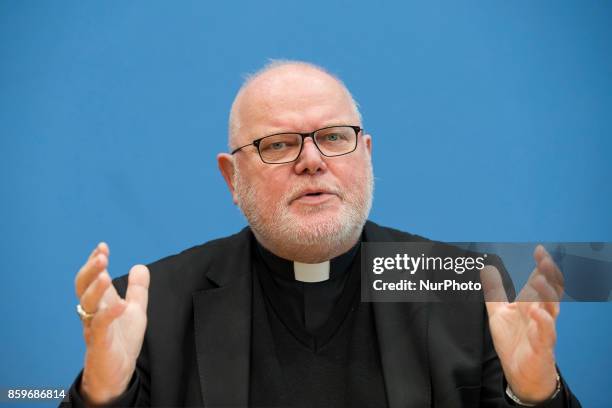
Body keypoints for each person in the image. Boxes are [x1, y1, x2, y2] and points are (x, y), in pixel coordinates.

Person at [64, 60, 581, 407]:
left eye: (334, 137)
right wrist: (102, 395)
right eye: (280, 144)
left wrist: (535, 396)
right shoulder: (151, 305)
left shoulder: (461, 284)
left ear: (367, 154)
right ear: (232, 178)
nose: (312, 161)